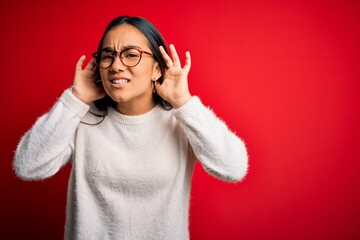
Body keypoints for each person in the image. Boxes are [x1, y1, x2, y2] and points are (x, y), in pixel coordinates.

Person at [13, 16, 248, 240]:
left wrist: (184, 103)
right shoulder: (81, 119)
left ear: (157, 69)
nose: (116, 65)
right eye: (108, 56)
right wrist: (76, 99)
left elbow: (233, 167)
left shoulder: (180, 122)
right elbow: (27, 165)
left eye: (131, 55)